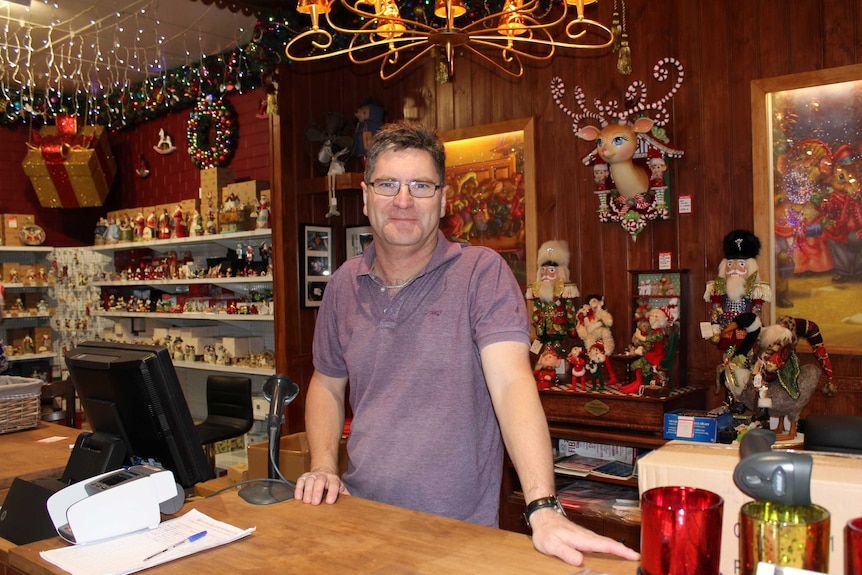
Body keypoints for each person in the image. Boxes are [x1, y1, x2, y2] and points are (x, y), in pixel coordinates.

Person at [295, 121, 639, 567]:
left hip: (457, 535)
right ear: (365, 197)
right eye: (388, 184)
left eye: (420, 185)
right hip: (361, 518)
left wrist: (542, 505)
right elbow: (326, 382)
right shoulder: (343, 285)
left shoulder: (482, 273)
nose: (403, 200)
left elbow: (512, 384)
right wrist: (323, 465)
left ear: (441, 200)